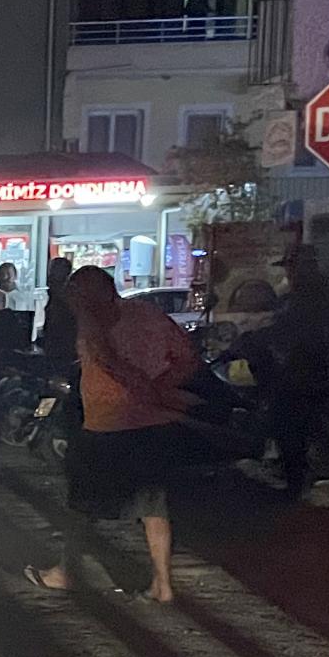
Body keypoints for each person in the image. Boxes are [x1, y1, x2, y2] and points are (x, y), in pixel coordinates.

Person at [30, 267, 199, 603]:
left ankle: (65, 572)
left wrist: (142, 386)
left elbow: (107, 360)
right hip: (153, 424)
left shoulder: (95, 321)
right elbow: (188, 359)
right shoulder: (149, 314)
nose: (73, 301)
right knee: (153, 505)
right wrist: (161, 387)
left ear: (88, 294)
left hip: (109, 425)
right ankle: (162, 584)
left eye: (77, 294)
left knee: (83, 503)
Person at [257, 250, 329, 497]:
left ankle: (297, 481)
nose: (288, 272)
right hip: (318, 370)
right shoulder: (327, 290)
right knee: (305, 423)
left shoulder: (308, 295)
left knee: (289, 425)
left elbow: (292, 331)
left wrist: (262, 338)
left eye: (291, 267)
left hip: (304, 372)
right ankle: (306, 473)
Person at [39, 255, 78, 363]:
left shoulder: (63, 297)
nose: (48, 276)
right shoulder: (60, 295)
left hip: (61, 348)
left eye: (52, 272)